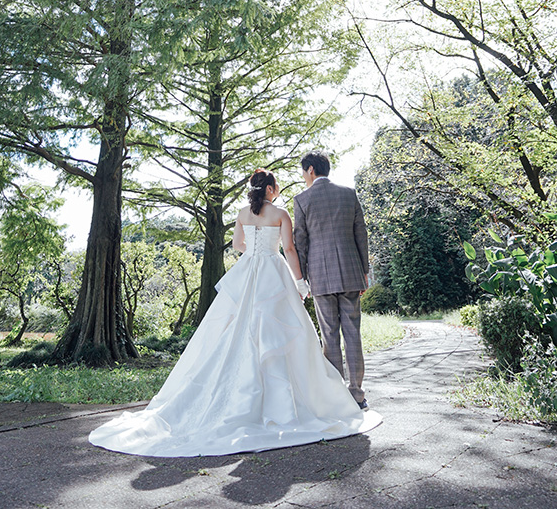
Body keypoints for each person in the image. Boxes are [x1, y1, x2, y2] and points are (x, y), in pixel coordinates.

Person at [89, 168, 381, 457]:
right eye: (275, 185)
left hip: (249, 270)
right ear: (269, 189)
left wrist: (256, 252)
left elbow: (239, 245)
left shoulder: (242, 212)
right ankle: (340, 393)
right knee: (284, 330)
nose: (277, 188)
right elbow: (290, 249)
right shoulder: (281, 214)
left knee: (240, 329)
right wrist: (300, 281)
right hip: (275, 272)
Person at [293, 150, 370, 409]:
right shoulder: (349, 194)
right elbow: (361, 234)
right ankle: (357, 394)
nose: (303, 176)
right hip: (351, 273)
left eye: (303, 171)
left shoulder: (302, 199)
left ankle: (337, 397)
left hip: (320, 275)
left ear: (311, 170)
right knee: (353, 333)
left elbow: (300, 242)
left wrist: (301, 278)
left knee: (329, 335)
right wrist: (364, 271)